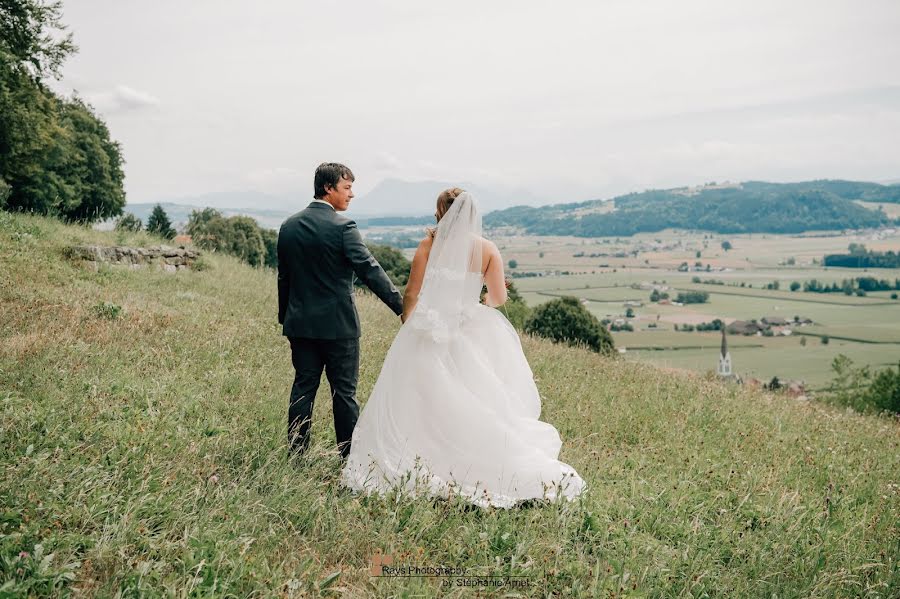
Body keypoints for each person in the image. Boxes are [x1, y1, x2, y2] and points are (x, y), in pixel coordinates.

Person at [340, 188, 585, 508]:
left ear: (441, 211)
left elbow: (412, 292)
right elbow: (497, 299)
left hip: (427, 330)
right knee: (472, 397)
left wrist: (410, 324)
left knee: (420, 398)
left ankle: (420, 456)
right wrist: (483, 297)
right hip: (468, 330)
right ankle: (478, 461)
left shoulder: (429, 244)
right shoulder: (487, 250)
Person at [277, 162, 403, 459]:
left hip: (300, 324)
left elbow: (284, 277)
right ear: (328, 188)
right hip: (338, 327)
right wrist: (400, 307)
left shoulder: (289, 226)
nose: (351, 194)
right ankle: (349, 458)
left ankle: (296, 454)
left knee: (303, 388)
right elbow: (370, 271)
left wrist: (286, 316)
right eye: (347, 188)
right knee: (344, 394)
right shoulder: (343, 227)